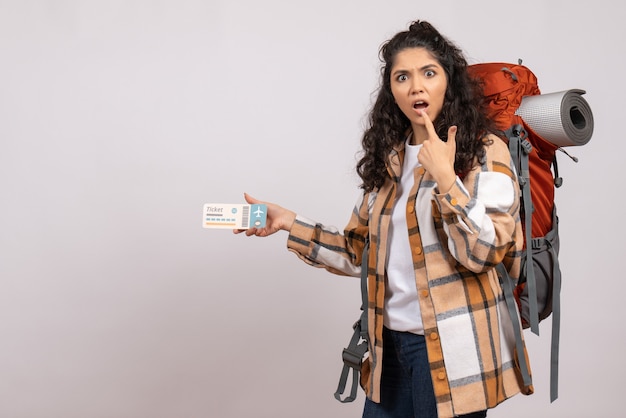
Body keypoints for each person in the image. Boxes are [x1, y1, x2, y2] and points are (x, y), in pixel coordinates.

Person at [234, 19, 533, 418]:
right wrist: (289, 222)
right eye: (402, 77)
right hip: (387, 350)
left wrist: (446, 179)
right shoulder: (391, 159)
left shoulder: (484, 151)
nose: (416, 87)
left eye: (429, 73)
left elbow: (485, 251)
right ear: (391, 90)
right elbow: (360, 252)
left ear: (449, 81)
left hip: (452, 352)